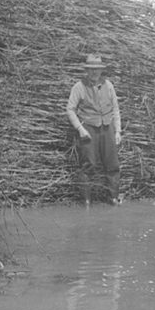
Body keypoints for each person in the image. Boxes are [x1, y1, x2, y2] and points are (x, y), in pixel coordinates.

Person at [67, 53, 122, 206]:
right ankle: (86, 201)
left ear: (101, 70)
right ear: (87, 70)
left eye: (97, 69)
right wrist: (80, 128)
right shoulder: (79, 87)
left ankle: (113, 198)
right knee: (88, 165)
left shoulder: (108, 85)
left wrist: (118, 131)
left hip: (107, 128)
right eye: (91, 69)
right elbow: (70, 109)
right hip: (89, 129)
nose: (94, 72)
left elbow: (116, 109)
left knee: (112, 164)